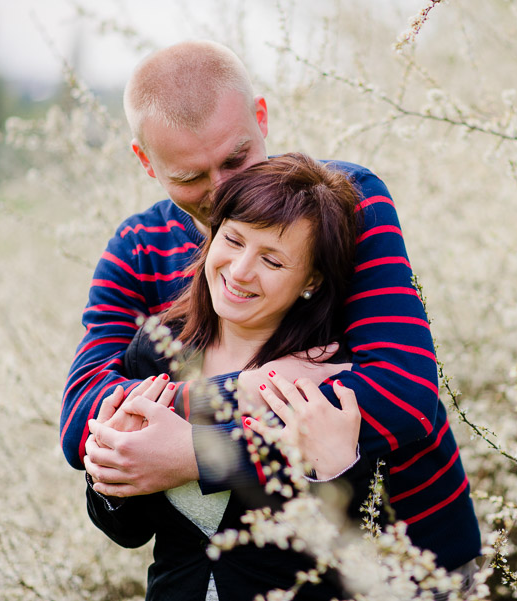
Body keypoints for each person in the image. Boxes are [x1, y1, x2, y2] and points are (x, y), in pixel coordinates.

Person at [61, 40, 480, 577]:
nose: (223, 190)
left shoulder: (345, 203)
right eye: (190, 177)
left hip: (410, 556)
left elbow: (403, 393)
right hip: (240, 573)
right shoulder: (137, 250)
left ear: (261, 117)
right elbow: (82, 422)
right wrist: (253, 389)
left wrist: (193, 452)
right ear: (146, 161)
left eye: (236, 158)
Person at [88, 154, 378, 600]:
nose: (241, 271)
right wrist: (110, 471)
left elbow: (355, 544)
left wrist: (336, 470)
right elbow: (128, 533)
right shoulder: (156, 350)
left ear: (312, 280)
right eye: (234, 240)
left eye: (273, 261)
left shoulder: (329, 374)